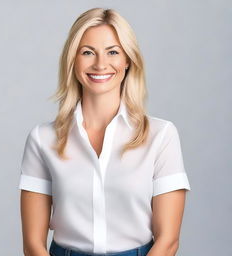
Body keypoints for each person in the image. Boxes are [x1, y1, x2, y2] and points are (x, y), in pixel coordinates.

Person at [18, 7, 191, 256]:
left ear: (127, 60)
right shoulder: (42, 139)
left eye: (113, 52)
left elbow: (168, 241)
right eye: (88, 52)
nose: (100, 64)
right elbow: (33, 245)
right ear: (73, 60)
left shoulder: (161, 136)